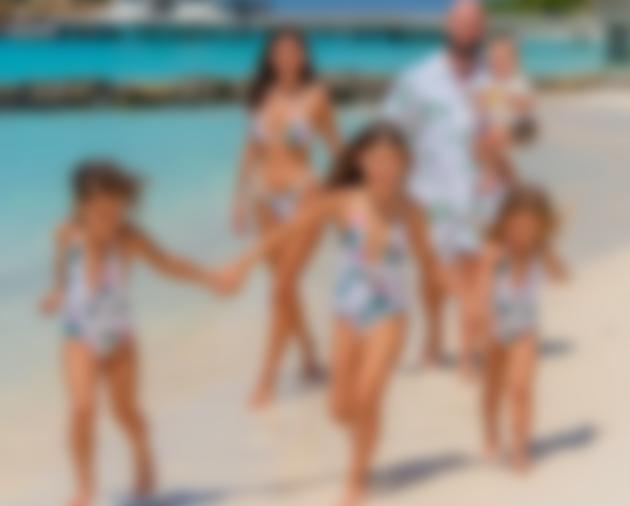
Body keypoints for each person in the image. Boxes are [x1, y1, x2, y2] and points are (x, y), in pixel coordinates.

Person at [224, 124, 440, 506]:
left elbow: (429, 264)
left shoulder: (412, 209)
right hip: (347, 312)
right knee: (340, 410)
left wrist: (464, 306)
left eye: (392, 161)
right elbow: (288, 231)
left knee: (368, 396)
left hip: (390, 313)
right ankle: (365, 438)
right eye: (376, 160)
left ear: (405, 163)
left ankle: (356, 480)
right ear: (361, 161)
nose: (383, 168)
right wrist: (242, 263)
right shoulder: (342, 201)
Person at [40, 161, 226, 506]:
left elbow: (168, 263)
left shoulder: (128, 239)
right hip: (78, 334)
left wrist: (207, 276)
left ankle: (143, 453)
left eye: (117, 212)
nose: (111, 221)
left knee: (125, 412)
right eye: (102, 214)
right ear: (81, 207)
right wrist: (57, 290)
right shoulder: (67, 234)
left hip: (119, 338)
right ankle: (85, 488)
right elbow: (63, 268)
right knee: (82, 408)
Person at [382, 0, 512, 379]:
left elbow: (514, 130)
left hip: (482, 195)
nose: (466, 30)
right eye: (460, 22)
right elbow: (390, 134)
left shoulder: (497, 78)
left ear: (483, 27)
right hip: (429, 194)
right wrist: (391, 190)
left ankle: (469, 354)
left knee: (477, 273)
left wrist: (509, 151)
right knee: (433, 276)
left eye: (474, 23)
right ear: (447, 25)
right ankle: (435, 334)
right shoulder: (417, 79)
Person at [232, 28, 340, 408]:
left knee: (279, 289)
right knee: (284, 288)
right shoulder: (260, 96)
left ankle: (266, 380)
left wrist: (351, 197)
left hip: (303, 196)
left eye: (294, 50)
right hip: (264, 199)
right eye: (280, 51)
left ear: (304, 56)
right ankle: (309, 354)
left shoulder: (317, 96)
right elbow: (251, 149)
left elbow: (336, 145)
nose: (287, 57)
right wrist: (238, 197)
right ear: (270, 57)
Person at [479, 186, 567, 472]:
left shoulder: (539, 251)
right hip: (494, 331)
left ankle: (520, 448)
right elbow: (483, 288)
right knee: (492, 391)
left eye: (530, 228)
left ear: (541, 228)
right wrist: (484, 316)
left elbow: (560, 277)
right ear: (504, 223)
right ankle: (491, 433)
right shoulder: (495, 251)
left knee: (521, 390)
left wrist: (549, 253)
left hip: (525, 331)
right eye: (515, 227)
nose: (521, 234)